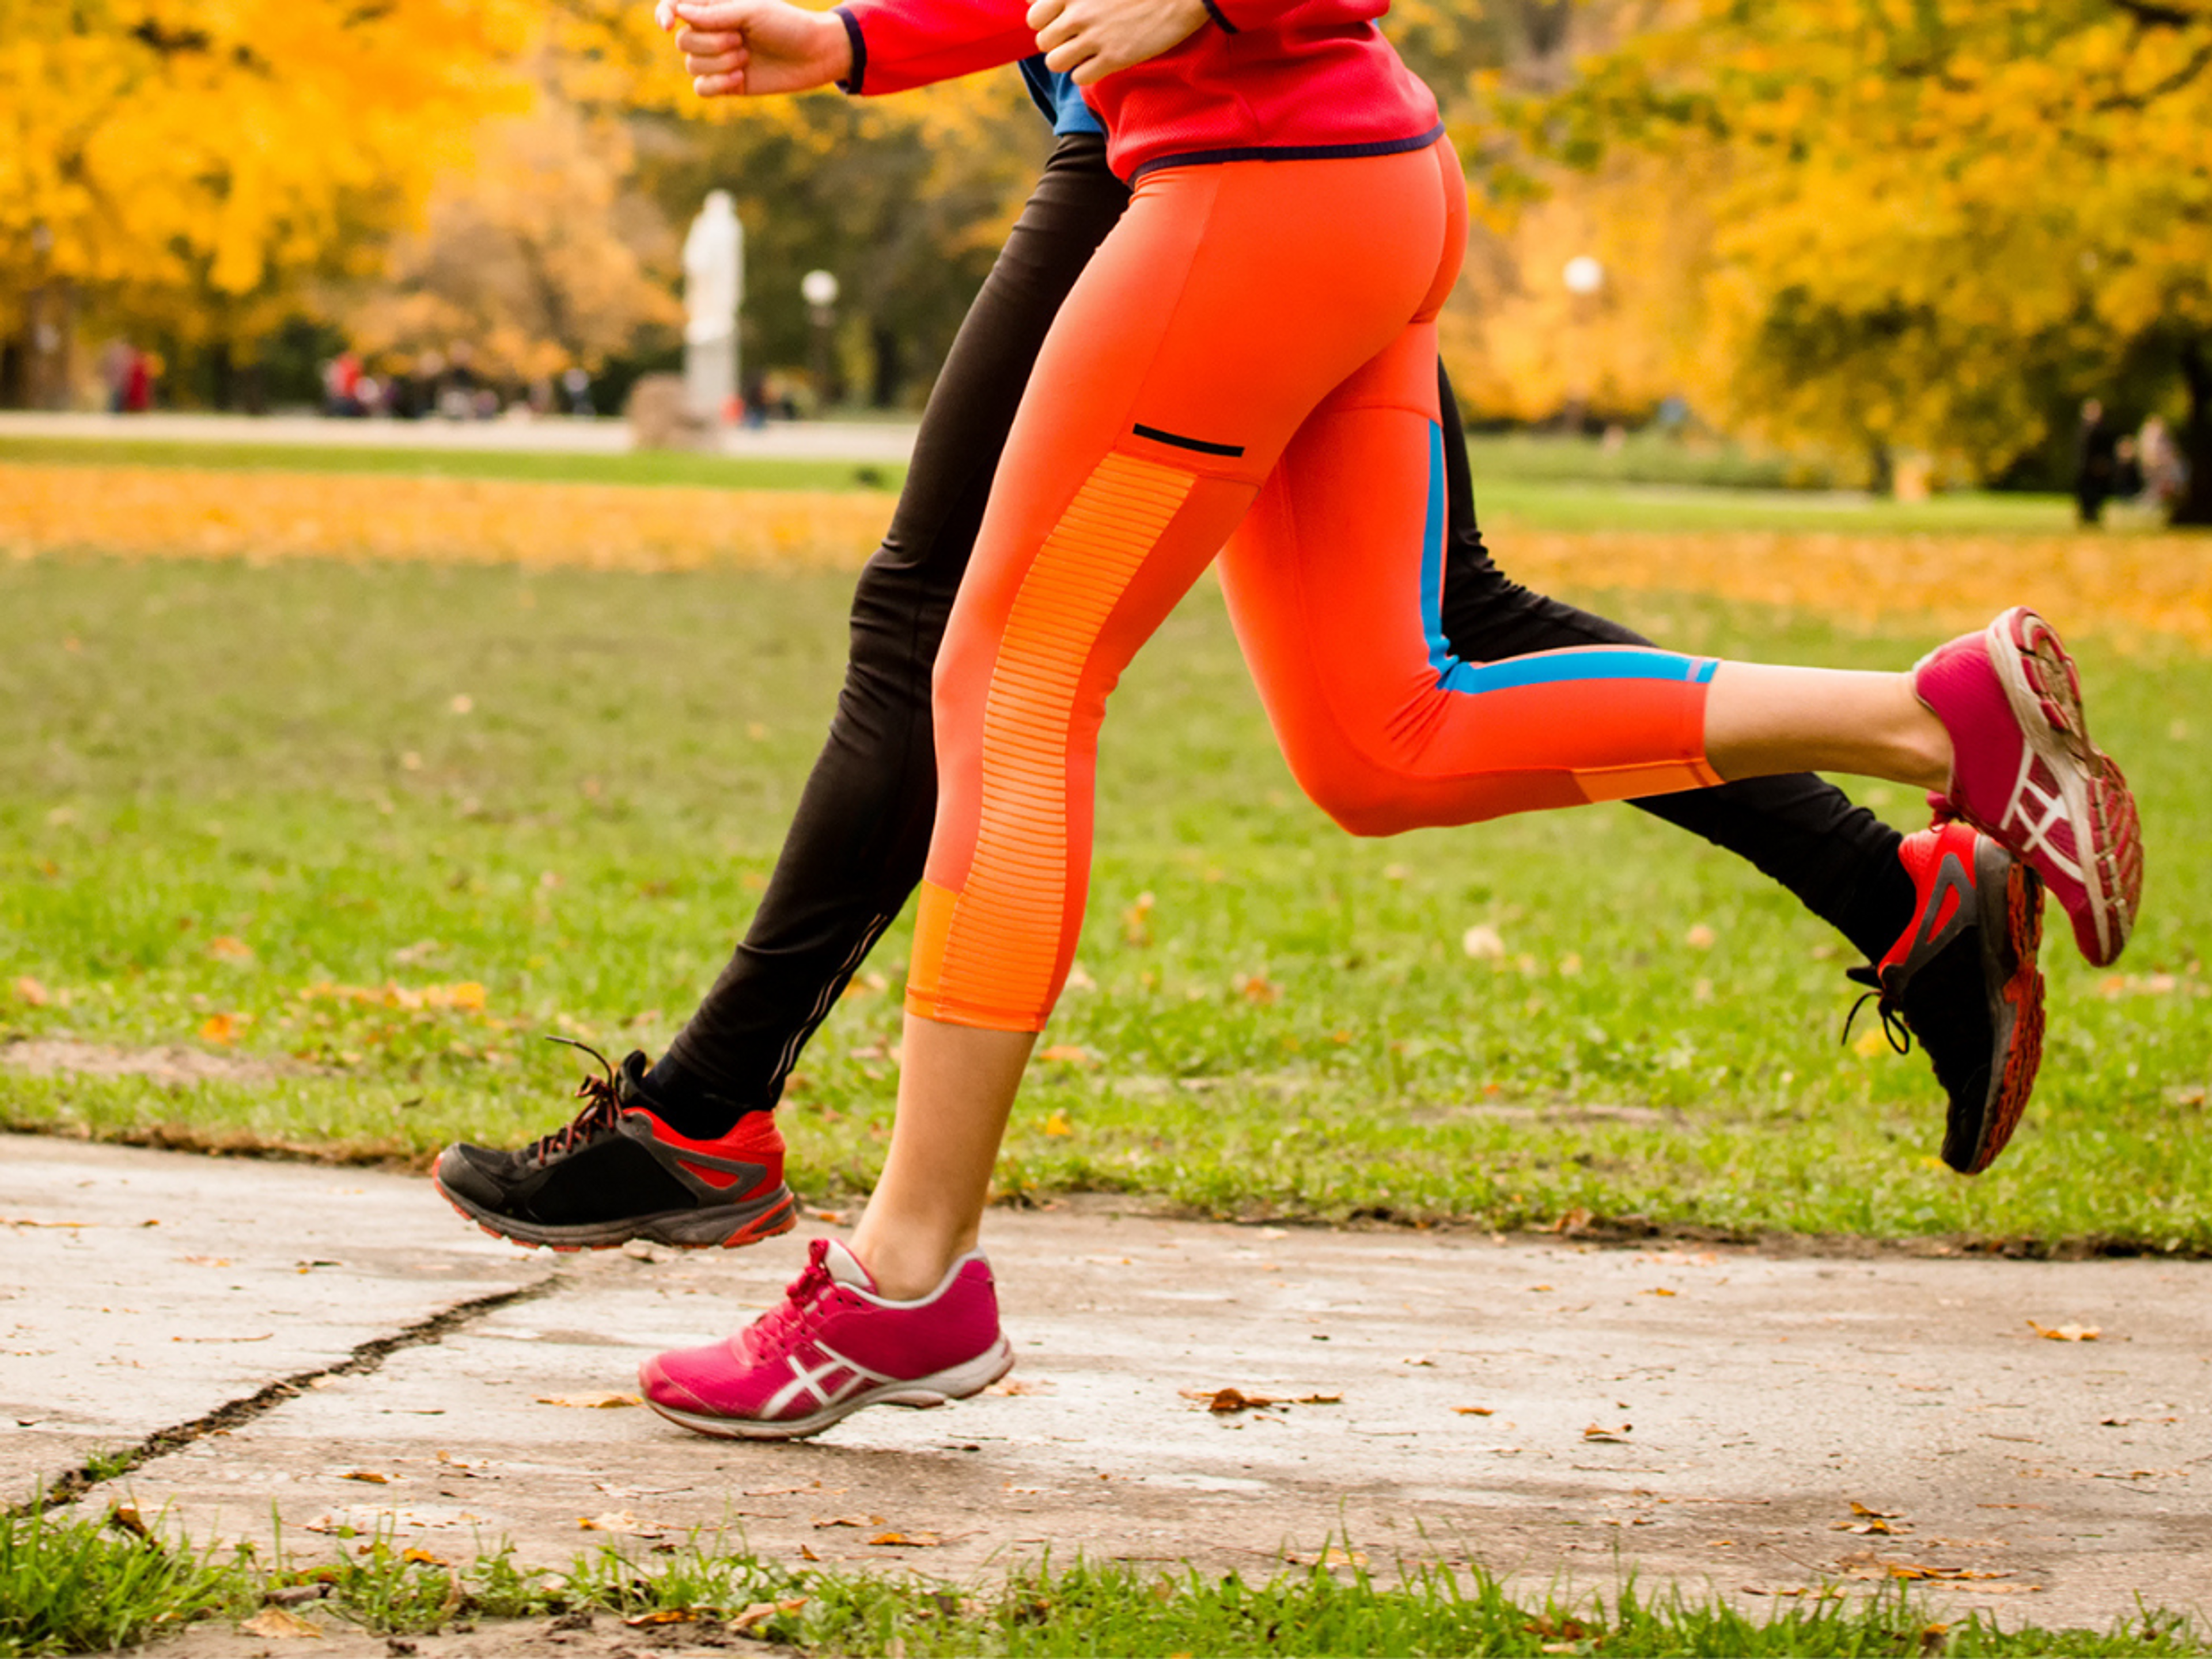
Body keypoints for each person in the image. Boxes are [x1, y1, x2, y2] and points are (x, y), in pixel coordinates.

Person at [449, 1, 2134, 1440]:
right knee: (1381, 734)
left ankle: (904, 1276)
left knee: (1006, 683)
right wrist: (862, 38)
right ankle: (1927, 727)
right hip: (1323, 184)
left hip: (1253, 192)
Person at [2075, 398, 2120, 527]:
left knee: (2096, 496)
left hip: (2097, 469)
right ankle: (2086, 517)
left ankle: (2093, 517)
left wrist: (2104, 464)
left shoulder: (2102, 431)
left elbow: (2106, 450)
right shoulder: (2083, 430)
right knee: (2085, 496)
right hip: (2085, 469)